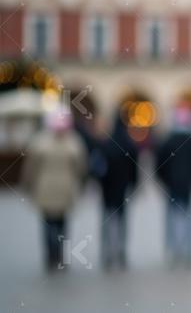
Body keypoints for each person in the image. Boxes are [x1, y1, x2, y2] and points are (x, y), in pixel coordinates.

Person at [20, 107, 87, 273]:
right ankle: (61, 257)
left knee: (48, 223)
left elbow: (30, 168)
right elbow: (81, 167)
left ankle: (51, 256)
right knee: (62, 224)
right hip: (65, 189)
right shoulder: (73, 141)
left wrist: (27, 185)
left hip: (45, 189)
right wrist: (81, 183)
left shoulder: (39, 141)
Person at [155, 103, 191, 269]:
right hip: (188, 187)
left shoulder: (168, 140)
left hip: (171, 187)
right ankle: (188, 251)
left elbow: (159, 165)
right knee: (189, 219)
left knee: (171, 219)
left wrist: (165, 182)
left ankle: (173, 250)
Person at [98, 109, 140, 271]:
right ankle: (121, 251)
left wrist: (100, 182)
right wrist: (133, 184)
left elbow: (98, 166)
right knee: (122, 221)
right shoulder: (129, 143)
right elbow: (134, 168)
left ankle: (107, 252)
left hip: (107, 190)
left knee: (107, 221)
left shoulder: (106, 142)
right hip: (122, 189)